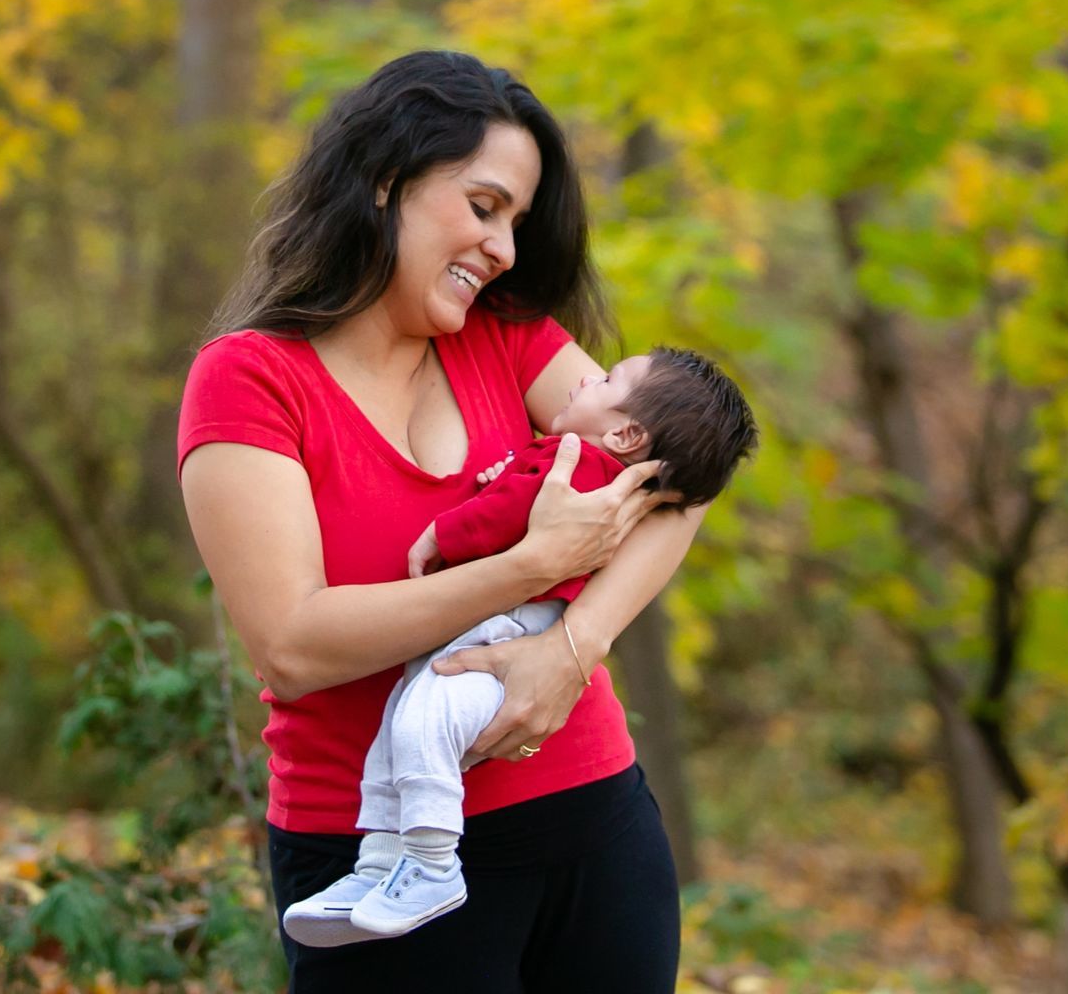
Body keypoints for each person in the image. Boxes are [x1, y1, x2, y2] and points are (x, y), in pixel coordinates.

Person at [177, 49, 707, 992]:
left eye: (517, 223)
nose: (504, 249)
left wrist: (571, 648)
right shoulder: (252, 380)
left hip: (595, 824)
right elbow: (293, 645)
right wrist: (527, 568)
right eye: (484, 205)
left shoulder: (512, 344)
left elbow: (681, 486)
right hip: (376, 865)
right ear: (385, 183)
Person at [282, 347, 757, 946]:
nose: (586, 374)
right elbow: (523, 490)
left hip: (508, 633)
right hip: (492, 632)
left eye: (606, 379)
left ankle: (430, 865)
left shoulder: (582, 463)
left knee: (420, 728)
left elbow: (510, 513)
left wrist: (444, 531)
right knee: (397, 737)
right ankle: (378, 867)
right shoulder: (593, 469)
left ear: (627, 432)